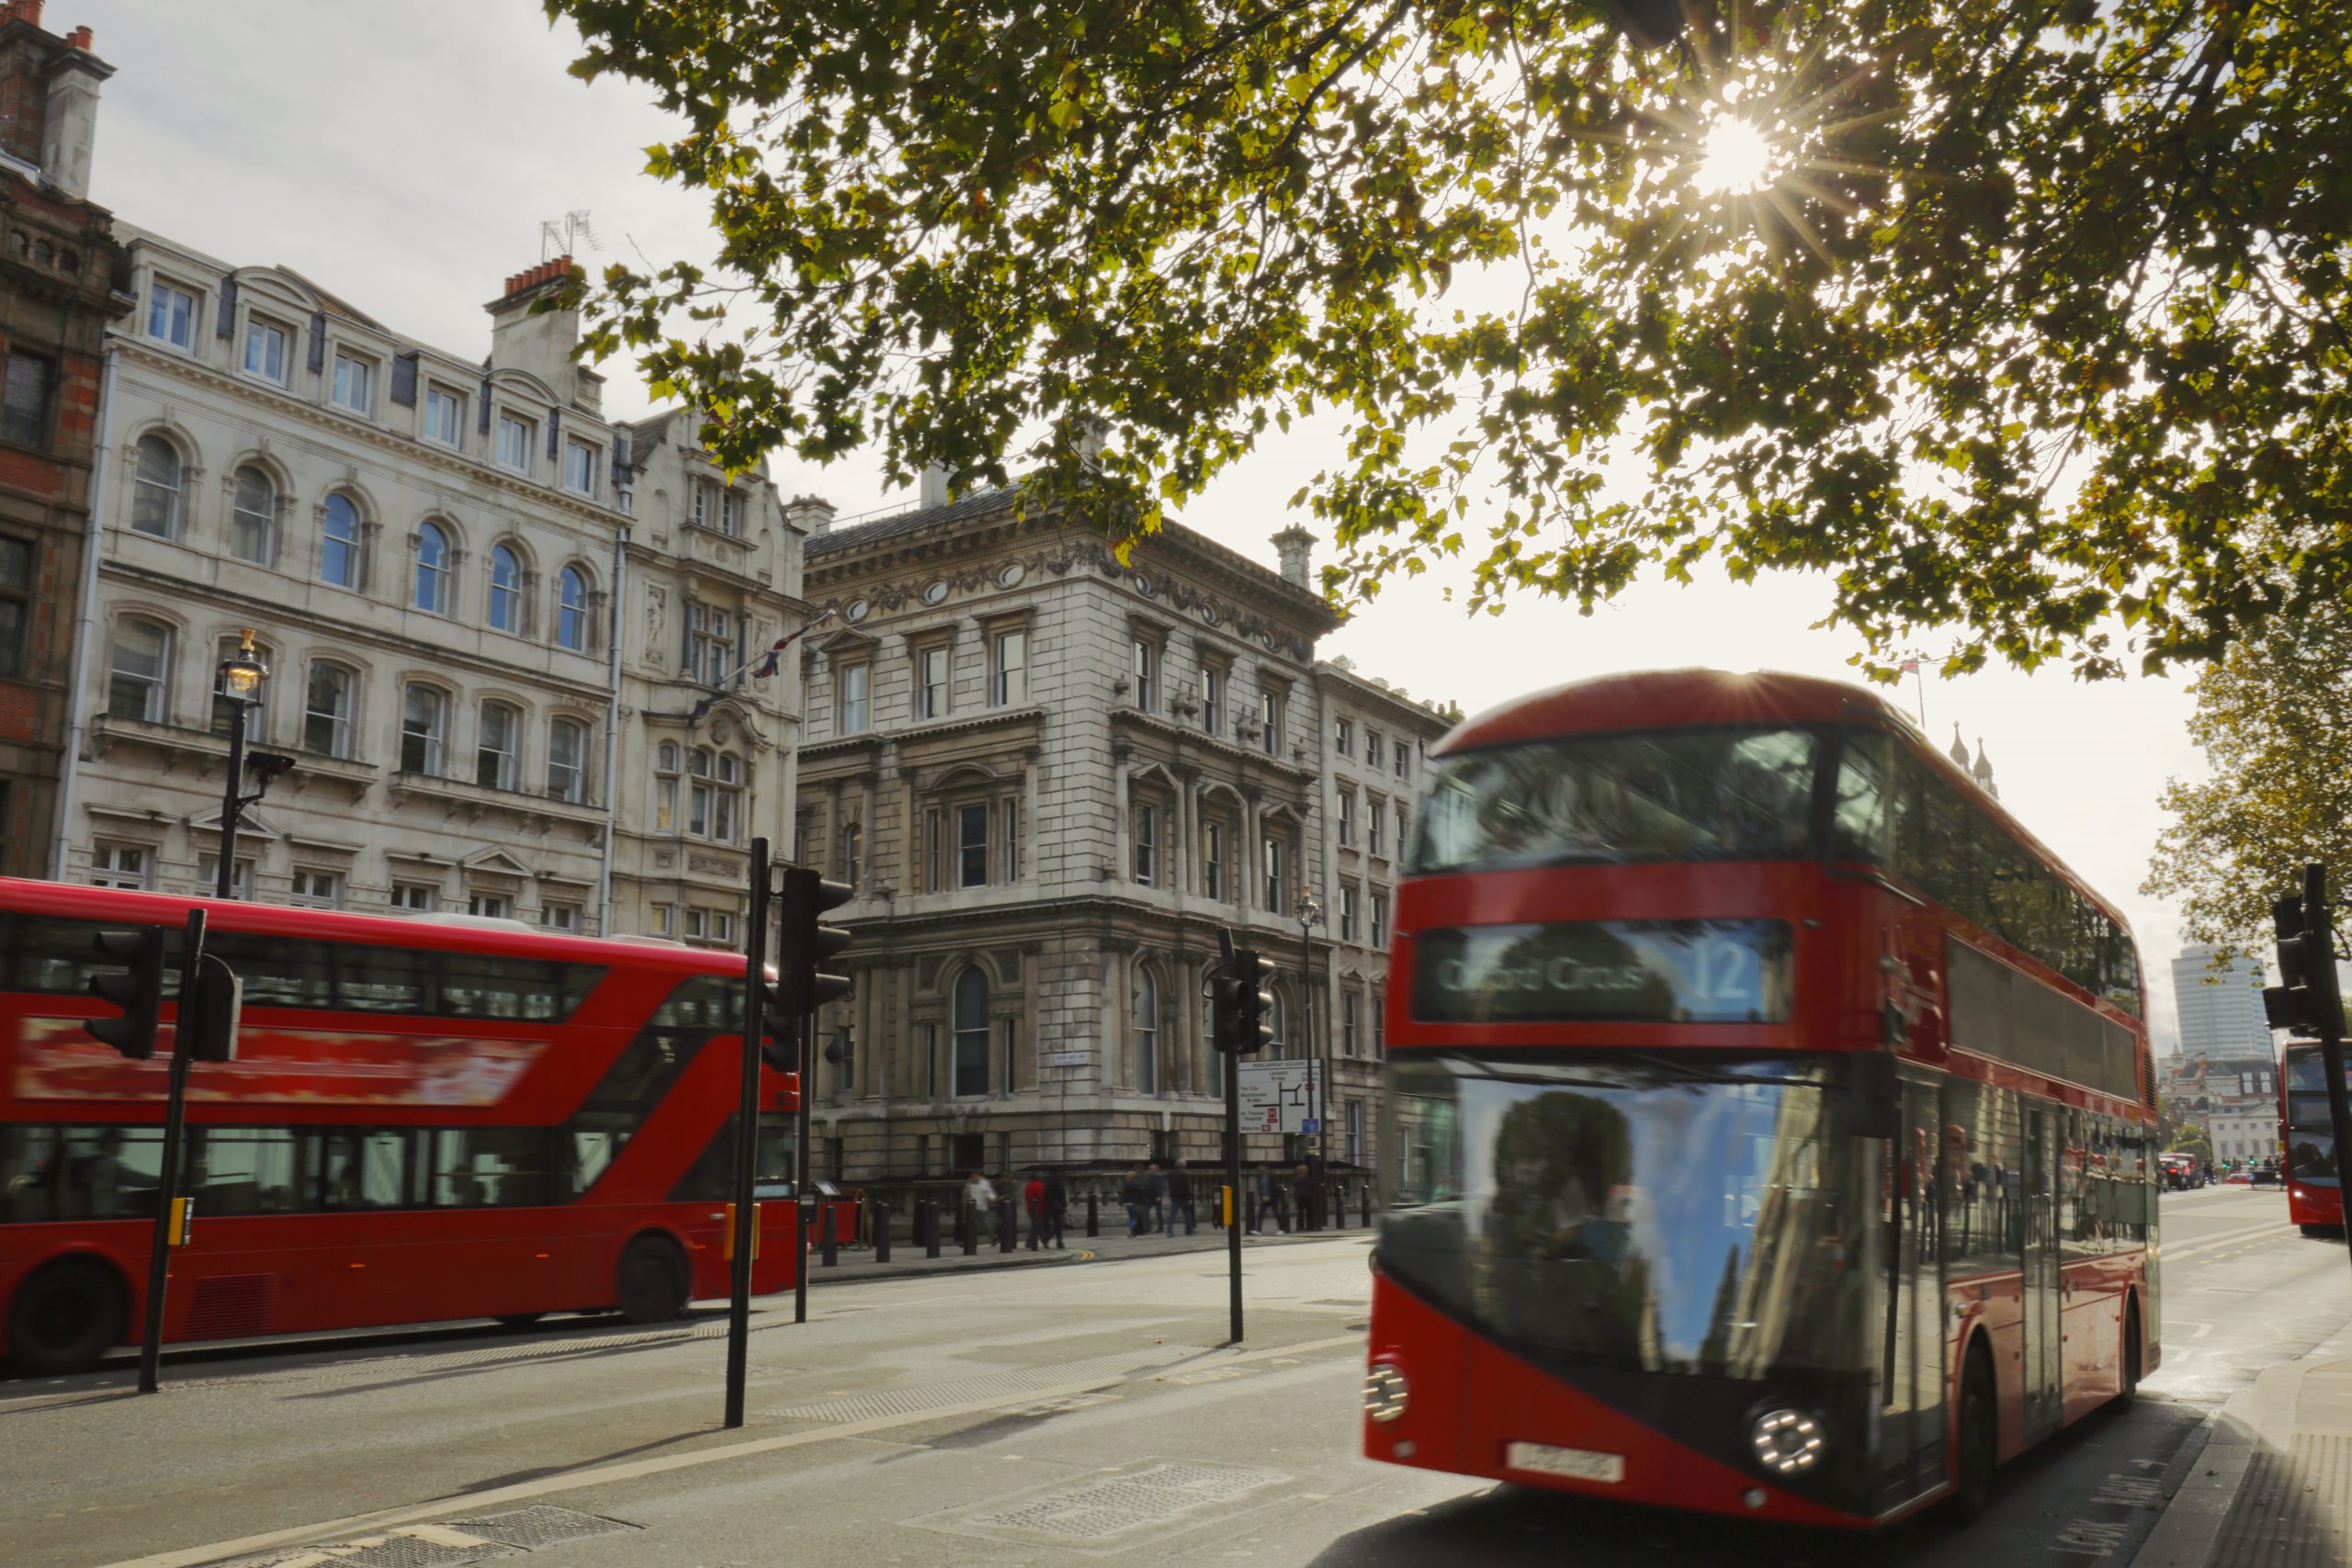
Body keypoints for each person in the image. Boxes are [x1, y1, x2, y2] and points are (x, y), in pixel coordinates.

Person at [963, 1169, 996, 1243]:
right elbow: (966, 1194)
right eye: (973, 1177)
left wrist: (991, 1198)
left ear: (980, 1176)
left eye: (976, 1176)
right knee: (970, 1225)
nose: (974, 1178)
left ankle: (994, 1238)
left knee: (986, 1225)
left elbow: (989, 1192)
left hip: (982, 1207)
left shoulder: (984, 1183)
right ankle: (969, 1241)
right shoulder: (969, 1183)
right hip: (971, 1207)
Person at [1042, 1168, 1068, 1249]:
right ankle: (1058, 1242)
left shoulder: (1047, 1182)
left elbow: (1045, 1195)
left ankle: (1051, 1240)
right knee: (1058, 1225)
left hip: (1049, 1205)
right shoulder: (1059, 1181)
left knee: (1054, 1224)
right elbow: (1062, 1194)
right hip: (1058, 1205)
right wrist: (1064, 1204)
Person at [1169, 1159, 1196, 1235]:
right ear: (1183, 1165)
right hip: (1183, 1196)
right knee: (1187, 1214)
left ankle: (1169, 1231)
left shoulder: (1172, 1173)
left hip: (1174, 1196)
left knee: (1172, 1214)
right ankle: (1190, 1230)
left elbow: (1170, 1185)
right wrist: (1189, 1198)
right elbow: (1187, 1188)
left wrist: (1171, 1194)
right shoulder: (1184, 1174)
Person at [1121, 1165, 1149, 1236]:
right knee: (1135, 1218)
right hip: (1135, 1203)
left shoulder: (1126, 1184)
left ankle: (1132, 1232)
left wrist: (1122, 1201)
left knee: (1131, 1217)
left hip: (1128, 1203)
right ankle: (1130, 1229)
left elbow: (1124, 1194)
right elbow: (1140, 1194)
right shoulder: (1136, 1184)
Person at [1023, 1170, 1047, 1250]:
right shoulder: (1040, 1185)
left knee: (1037, 1225)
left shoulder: (1028, 1186)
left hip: (1030, 1208)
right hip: (1039, 1208)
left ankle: (1044, 1241)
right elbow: (1042, 1198)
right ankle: (1029, 1243)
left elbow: (1027, 1197)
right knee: (1036, 1226)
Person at [1145, 1162, 1168, 1235]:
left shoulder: (1160, 1176)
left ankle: (1160, 1228)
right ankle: (1148, 1227)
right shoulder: (1149, 1176)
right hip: (1149, 1197)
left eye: (1152, 1168)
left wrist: (1160, 1195)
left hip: (1157, 1197)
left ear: (1156, 1169)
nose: (1151, 1170)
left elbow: (1163, 1187)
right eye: (1150, 1168)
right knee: (1145, 1211)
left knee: (1159, 1213)